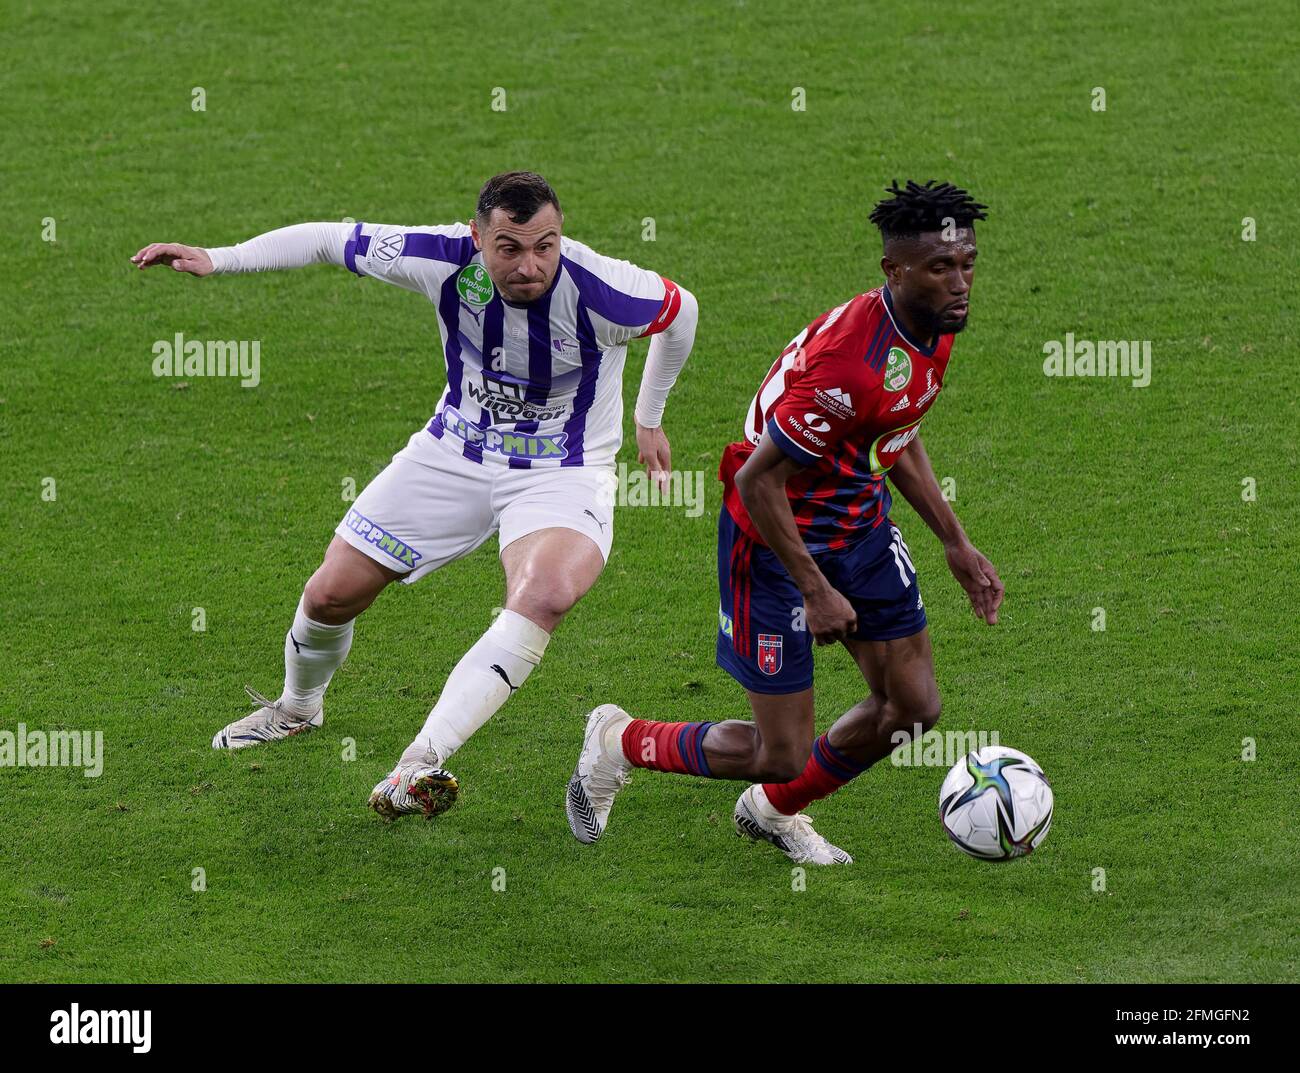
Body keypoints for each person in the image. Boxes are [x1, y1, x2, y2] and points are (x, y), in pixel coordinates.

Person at [131, 171, 697, 820]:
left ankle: (418, 761)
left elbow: (681, 315)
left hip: (561, 471)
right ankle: (296, 707)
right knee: (328, 594)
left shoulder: (603, 287)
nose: (531, 264)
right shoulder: (440, 259)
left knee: (545, 593)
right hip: (453, 453)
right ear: (476, 236)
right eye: (510, 248)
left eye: (546, 244)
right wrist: (221, 260)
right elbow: (327, 239)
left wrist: (648, 416)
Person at [566, 180, 1002, 864]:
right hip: (773, 542)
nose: (960, 282)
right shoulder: (847, 367)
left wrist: (956, 542)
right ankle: (620, 740)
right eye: (941, 268)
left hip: (857, 526)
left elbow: (898, 426)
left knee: (913, 706)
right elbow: (757, 478)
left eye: (967, 262)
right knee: (780, 749)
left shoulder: (931, 325)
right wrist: (814, 588)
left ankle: (774, 810)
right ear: (894, 271)